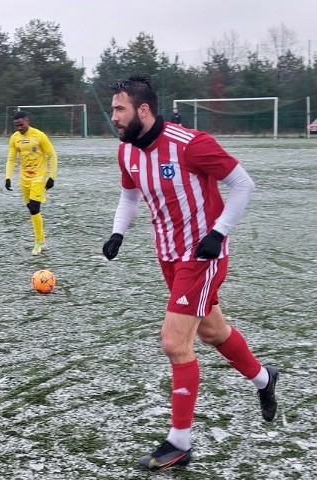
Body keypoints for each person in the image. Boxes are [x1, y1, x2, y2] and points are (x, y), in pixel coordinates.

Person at [102, 74, 278, 470]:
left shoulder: (191, 144)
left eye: (119, 109)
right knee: (213, 331)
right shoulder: (127, 151)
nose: (114, 116)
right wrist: (117, 233)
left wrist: (218, 233)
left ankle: (179, 443)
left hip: (202, 255)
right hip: (168, 255)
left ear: (142, 111)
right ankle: (265, 379)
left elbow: (243, 183)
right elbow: (130, 194)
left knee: (174, 342)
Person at [5, 111, 58, 255]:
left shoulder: (39, 136)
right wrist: (8, 177)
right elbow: (11, 159)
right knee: (32, 210)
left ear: (27, 121)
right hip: (24, 179)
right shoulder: (14, 138)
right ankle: (43, 241)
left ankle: (37, 243)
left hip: (39, 177)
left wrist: (51, 177)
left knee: (34, 208)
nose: (19, 128)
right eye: (16, 126)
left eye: (21, 125)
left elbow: (52, 156)